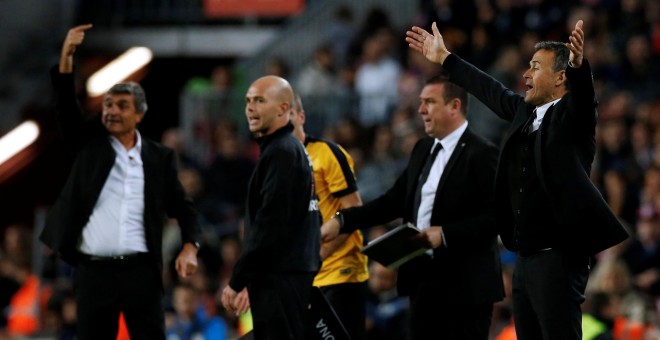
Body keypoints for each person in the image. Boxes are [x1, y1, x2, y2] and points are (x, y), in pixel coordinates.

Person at [405, 20, 629, 338]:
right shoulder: (525, 113)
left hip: (559, 256)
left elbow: (583, 98)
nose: (526, 74)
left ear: (560, 77)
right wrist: (445, 58)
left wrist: (580, 67)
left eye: (536, 67)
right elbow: (490, 90)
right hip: (525, 257)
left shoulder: (573, 118)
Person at [39, 24, 202, 339]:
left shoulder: (159, 158)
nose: (112, 111)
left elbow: (184, 207)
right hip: (93, 271)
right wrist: (66, 57)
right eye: (108, 105)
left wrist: (190, 246)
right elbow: (66, 111)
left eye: (121, 106)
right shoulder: (89, 147)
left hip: (141, 271)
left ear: (139, 114)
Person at [322, 75, 504, 339]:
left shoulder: (483, 153)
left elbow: (497, 218)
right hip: (423, 282)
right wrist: (342, 221)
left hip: (466, 287)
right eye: (420, 103)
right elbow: (392, 201)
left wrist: (444, 234)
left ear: (454, 106)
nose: (421, 110)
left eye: (429, 102)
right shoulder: (422, 148)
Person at [220, 76, 321, 339]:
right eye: (248, 101)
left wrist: (238, 279)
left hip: (280, 278)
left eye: (260, 101)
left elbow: (269, 226)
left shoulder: (281, 153)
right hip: (285, 276)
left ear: (283, 109)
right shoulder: (287, 149)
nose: (250, 108)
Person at [289, 94, 368, 339]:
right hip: (300, 283)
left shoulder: (327, 153)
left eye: (287, 113)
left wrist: (313, 260)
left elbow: (353, 210)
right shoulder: (273, 165)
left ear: (301, 117)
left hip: (339, 275)